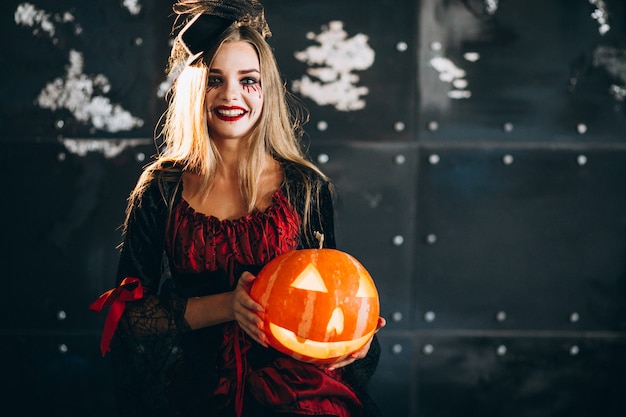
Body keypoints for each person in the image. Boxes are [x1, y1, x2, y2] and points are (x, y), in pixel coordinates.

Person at [90, 1, 385, 416]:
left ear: (266, 91)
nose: (231, 95)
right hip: (197, 396)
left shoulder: (305, 188)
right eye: (215, 79)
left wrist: (356, 336)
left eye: (249, 80)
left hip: (296, 399)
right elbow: (130, 319)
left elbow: (333, 287)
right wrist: (227, 305)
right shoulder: (162, 190)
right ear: (197, 89)